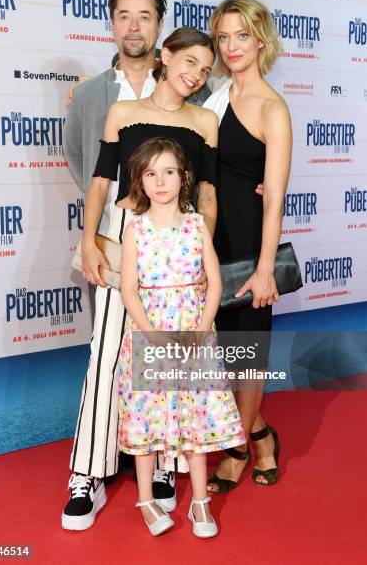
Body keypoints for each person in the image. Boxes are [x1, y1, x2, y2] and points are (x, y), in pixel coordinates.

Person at [62, 24, 219, 531]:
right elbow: (101, 181)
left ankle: (169, 467)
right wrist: (88, 240)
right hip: (126, 238)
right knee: (109, 358)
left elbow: (209, 196)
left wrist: (198, 248)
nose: (195, 74)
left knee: (173, 364)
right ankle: (88, 474)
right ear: (165, 55)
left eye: (204, 68)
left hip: (182, 247)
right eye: (189, 61)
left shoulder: (204, 121)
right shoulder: (124, 113)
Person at [118, 137, 245, 537]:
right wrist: (152, 335)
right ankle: (145, 500)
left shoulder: (194, 225)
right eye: (151, 173)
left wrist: (202, 329)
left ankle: (200, 504)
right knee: (146, 420)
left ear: (183, 177)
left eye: (168, 172)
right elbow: (128, 290)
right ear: (140, 181)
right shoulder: (135, 229)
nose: (160, 181)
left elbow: (216, 282)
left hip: (193, 334)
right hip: (149, 334)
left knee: (197, 419)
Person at [204, 0, 292, 492]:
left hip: (247, 248)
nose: (232, 46)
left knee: (247, 355)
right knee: (213, 359)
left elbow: (275, 200)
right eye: (223, 36)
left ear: (261, 39)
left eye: (242, 35)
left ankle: (237, 451)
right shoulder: (210, 96)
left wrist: (264, 270)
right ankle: (259, 435)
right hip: (206, 247)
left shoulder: (272, 108)